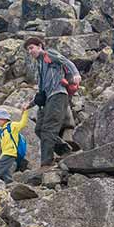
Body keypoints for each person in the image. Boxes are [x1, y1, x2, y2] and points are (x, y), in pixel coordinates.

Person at [24, 37, 81, 169]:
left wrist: (75, 74)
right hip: (47, 99)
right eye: (28, 50)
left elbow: (65, 61)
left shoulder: (49, 54)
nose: (30, 51)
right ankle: (65, 150)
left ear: (39, 46)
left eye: (31, 48)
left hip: (58, 95)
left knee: (48, 129)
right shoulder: (39, 65)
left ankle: (46, 163)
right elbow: (42, 90)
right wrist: (30, 104)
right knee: (39, 130)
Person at [0, 106, 29, 182]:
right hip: (5, 154)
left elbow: (23, 124)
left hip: (10, 153)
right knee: (5, 173)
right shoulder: (2, 131)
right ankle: (10, 184)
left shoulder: (12, 126)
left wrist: (25, 112)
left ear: (4, 119)